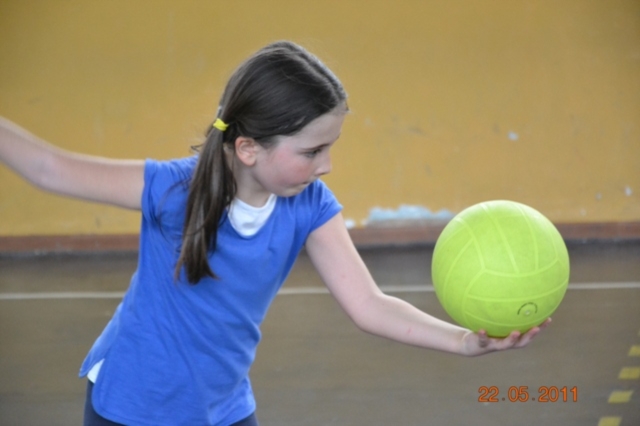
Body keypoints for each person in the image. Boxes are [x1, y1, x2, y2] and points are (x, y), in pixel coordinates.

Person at [0, 41, 549, 426]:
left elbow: (368, 304)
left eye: (330, 147)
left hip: (224, 407)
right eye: (313, 151)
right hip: (135, 406)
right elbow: (49, 168)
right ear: (248, 148)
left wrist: (462, 342)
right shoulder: (174, 189)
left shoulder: (309, 205)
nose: (327, 165)